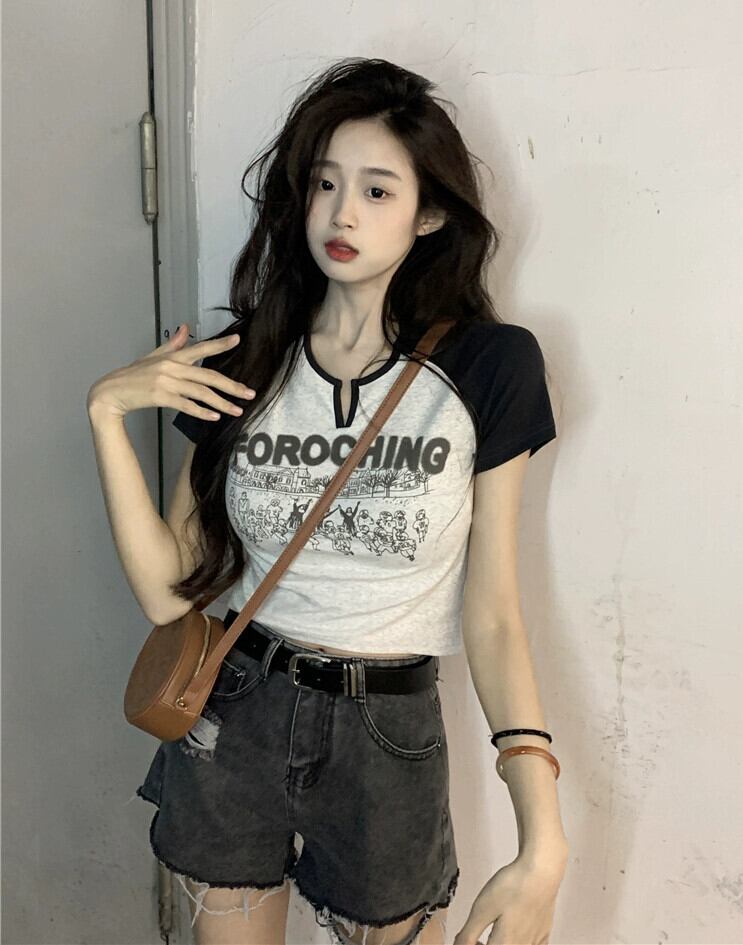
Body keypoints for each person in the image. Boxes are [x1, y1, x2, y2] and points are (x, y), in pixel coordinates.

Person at [87, 58, 569, 945]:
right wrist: (106, 414)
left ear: (429, 214)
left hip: (387, 730)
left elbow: (495, 615)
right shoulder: (245, 358)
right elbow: (168, 592)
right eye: (325, 183)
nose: (343, 213)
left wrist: (542, 838)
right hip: (236, 708)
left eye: (378, 191)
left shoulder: (488, 366)